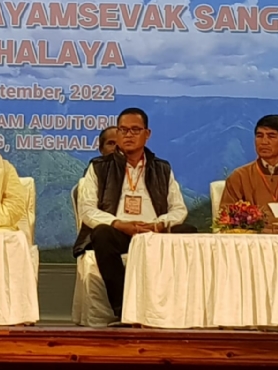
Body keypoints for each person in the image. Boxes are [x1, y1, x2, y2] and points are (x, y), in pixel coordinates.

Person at [73, 107, 194, 322]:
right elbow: (87, 210)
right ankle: (124, 310)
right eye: (123, 130)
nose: (128, 135)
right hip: (120, 233)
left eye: (135, 130)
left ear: (147, 134)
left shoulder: (162, 168)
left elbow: (179, 209)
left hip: (154, 233)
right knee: (101, 234)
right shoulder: (99, 167)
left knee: (189, 232)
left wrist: (159, 224)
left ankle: (177, 310)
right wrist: (119, 223)